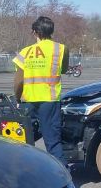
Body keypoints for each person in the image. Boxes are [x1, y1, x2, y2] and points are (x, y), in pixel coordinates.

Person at [12, 16, 69, 166]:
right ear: (51, 31)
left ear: (35, 32)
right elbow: (63, 69)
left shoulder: (25, 52)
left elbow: (18, 81)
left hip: (28, 101)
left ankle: (25, 175)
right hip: (49, 102)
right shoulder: (60, 49)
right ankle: (63, 181)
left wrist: (17, 99)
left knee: (24, 141)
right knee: (53, 143)